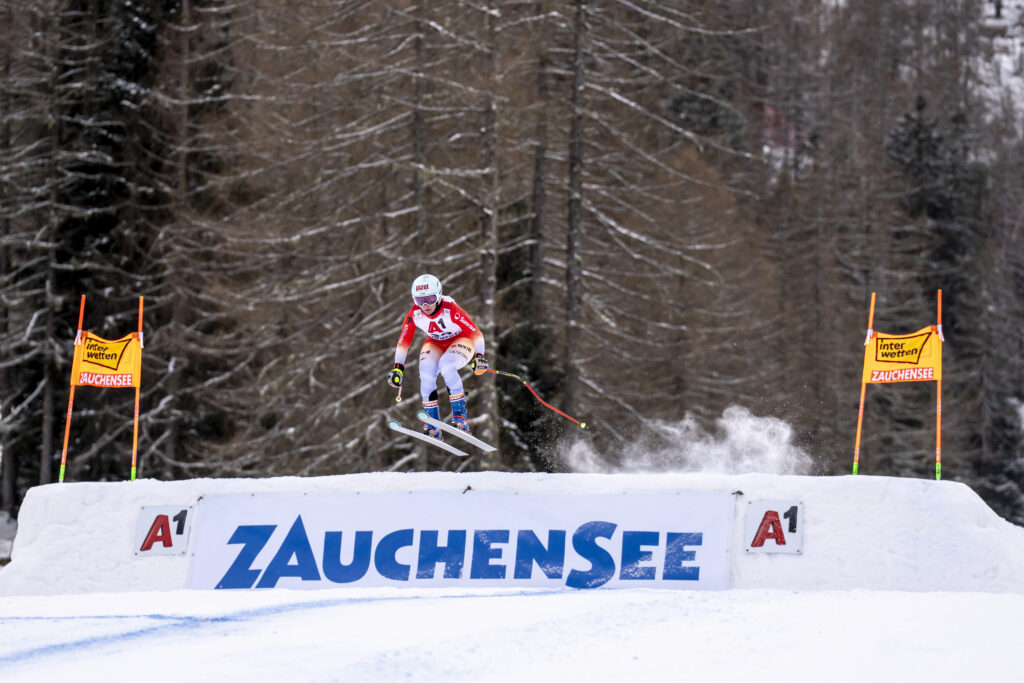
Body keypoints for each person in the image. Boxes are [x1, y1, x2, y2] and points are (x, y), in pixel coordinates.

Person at [387, 274, 488, 438]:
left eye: (430, 298)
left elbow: (476, 333)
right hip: (435, 342)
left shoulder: (450, 309)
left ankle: (460, 417)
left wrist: (479, 356)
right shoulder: (414, 315)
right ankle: (433, 424)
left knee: (447, 365)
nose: (425, 305)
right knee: (426, 372)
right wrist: (398, 368)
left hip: (462, 340)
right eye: (420, 300)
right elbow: (403, 342)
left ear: (439, 295)